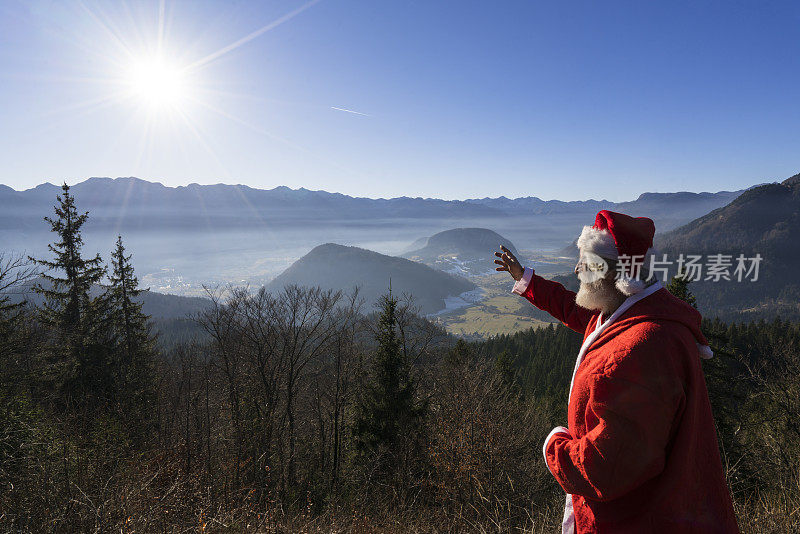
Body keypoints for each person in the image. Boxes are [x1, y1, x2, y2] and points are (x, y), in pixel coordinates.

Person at [494, 210, 739, 533]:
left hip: (638, 520)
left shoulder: (642, 349)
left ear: (615, 274)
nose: (577, 268)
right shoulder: (628, 311)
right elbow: (574, 309)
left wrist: (555, 447)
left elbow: (606, 468)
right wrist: (525, 279)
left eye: (587, 263)